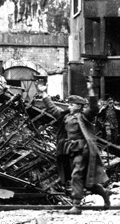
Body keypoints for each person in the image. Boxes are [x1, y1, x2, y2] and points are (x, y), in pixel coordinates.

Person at [38, 80, 110, 213]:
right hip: (70, 150)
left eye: (72, 104)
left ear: (79, 106)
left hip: (83, 150)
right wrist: (43, 93)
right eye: (69, 104)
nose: (69, 106)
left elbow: (94, 108)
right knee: (83, 179)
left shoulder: (84, 116)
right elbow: (52, 108)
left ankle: (77, 205)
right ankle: (104, 193)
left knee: (77, 175)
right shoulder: (66, 116)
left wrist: (91, 90)